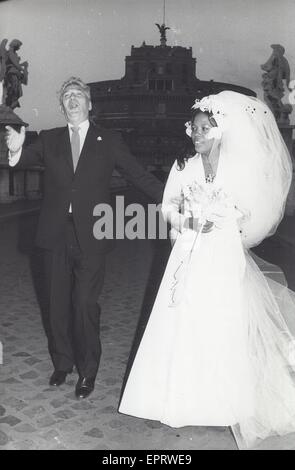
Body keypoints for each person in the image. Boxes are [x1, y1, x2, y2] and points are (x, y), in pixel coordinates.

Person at [118, 90, 295, 449]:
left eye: (202, 128)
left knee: (221, 323)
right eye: (192, 128)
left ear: (219, 131)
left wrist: (228, 218)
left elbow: (252, 213)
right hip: (188, 252)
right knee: (185, 323)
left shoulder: (238, 169)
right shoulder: (184, 167)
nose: (195, 134)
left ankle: (223, 403)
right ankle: (183, 401)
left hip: (224, 255)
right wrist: (188, 220)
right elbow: (167, 206)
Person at [5, 76, 163, 399]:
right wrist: (16, 150)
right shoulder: (49, 139)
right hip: (54, 233)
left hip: (93, 234)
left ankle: (87, 371)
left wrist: (169, 196)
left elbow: (137, 173)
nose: (73, 100)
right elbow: (25, 158)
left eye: (78, 95)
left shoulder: (109, 139)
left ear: (90, 104)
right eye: (67, 96)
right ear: (62, 106)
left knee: (84, 304)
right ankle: (62, 362)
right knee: (57, 303)